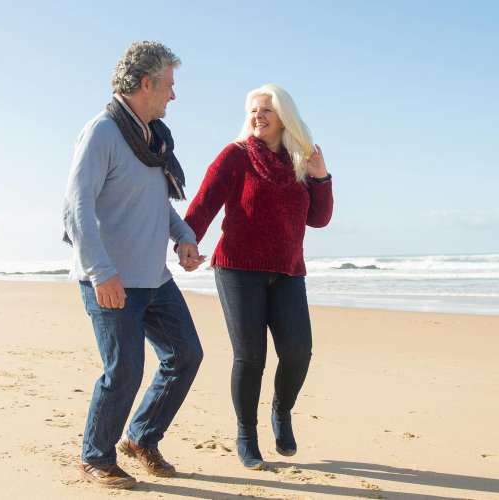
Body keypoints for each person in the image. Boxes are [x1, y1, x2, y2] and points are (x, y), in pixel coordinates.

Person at [62, 41, 206, 489]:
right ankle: (96, 456)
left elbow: (155, 205)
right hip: (111, 278)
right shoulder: (103, 131)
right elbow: (76, 207)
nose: (173, 95)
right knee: (124, 369)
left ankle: (141, 437)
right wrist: (101, 271)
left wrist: (183, 237)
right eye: (169, 85)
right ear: (146, 83)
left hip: (153, 277)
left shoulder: (154, 140)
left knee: (185, 355)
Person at [184, 83, 334, 469]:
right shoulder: (234, 157)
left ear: (284, 116)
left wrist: (321, 177)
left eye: (266, 109)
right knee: (251, 357)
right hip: (237, 268)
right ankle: (246, 434)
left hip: (287, 271)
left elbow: (318, 219)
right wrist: (186, 243)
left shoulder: (300, 158)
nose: (258, 116)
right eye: (253, 110)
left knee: (299, 352)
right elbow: (204, 203)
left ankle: (281, 414)